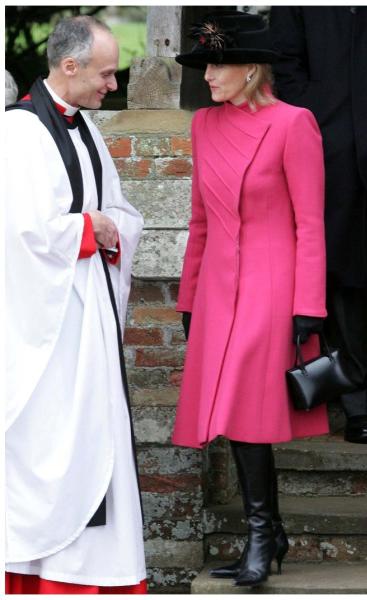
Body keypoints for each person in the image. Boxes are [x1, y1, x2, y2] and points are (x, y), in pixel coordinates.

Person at [171, 10, 328, 587]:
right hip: (216, 288)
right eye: (206, 64)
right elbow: (199, 220)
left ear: (251, 70)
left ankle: (263, 534)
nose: (209, 75)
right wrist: (189, 298)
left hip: (271, 285)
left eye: (218, 64)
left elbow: (310, 224)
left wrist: (307, 304)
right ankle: (268, 532)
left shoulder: (294, 123)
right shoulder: (204, 125)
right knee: (232, 414)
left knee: (252, 408)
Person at [5, 16, 146, 594]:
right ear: (69, 66)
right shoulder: (18, 133)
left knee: (94, 441)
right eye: (105, 72)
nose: (112, 84)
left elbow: (119, 211)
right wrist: (90, 229)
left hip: (89, 321)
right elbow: (19, 235)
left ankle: (93, 575)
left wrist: (114, 228)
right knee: (50, 446)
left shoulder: (86, 128)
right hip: (44, 332)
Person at [268, 7, 367, 444]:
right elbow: (284, 59)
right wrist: (316, 110)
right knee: (340, 279)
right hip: (327, 148)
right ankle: (358, 404)